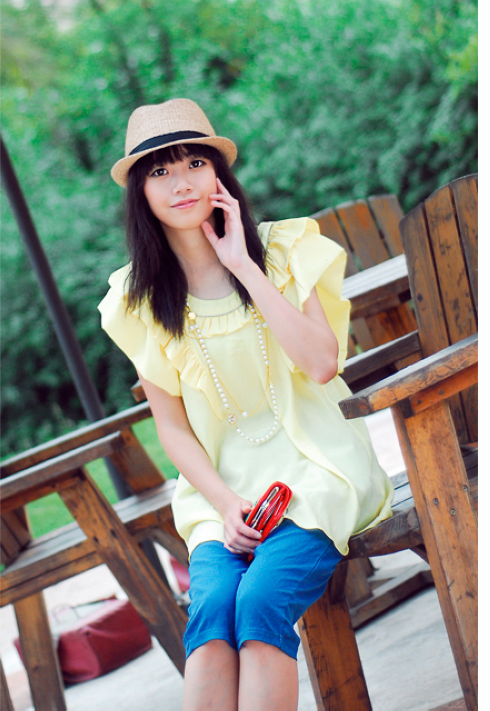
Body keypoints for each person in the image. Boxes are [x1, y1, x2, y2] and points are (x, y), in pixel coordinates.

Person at [98, 98, 393, 710]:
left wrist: (243, 266)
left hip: (319, 470)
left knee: (259, 602)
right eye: (160, 171)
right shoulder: (137, 299)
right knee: (211, 610)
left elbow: (322, 363)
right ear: (141, 194)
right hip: (222, 494)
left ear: (219, 174)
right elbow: (172, 430)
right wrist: (226, 504)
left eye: (195, 163)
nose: (181, 183)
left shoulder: (282, 251)